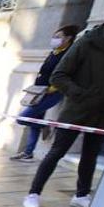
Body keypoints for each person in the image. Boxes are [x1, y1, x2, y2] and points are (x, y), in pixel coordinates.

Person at [23, 0, 104, 207]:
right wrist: (80, 94)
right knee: (57, 152)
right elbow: (58, 75)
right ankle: (34, 193)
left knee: (90, 154)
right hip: (77, 110)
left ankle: (81, 195)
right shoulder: (88, 41)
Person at [12, 25, 80, 166]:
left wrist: (53, 88)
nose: (54, 39)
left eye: (58, 37)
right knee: (35, 123)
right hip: (39, 91)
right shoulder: (54, 52)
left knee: (23, 118)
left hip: (52, 93)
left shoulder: (68, 55)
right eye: (54, 37)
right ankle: (28, 152)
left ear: (68, 38)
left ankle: (45, 126)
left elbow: (66, 74)